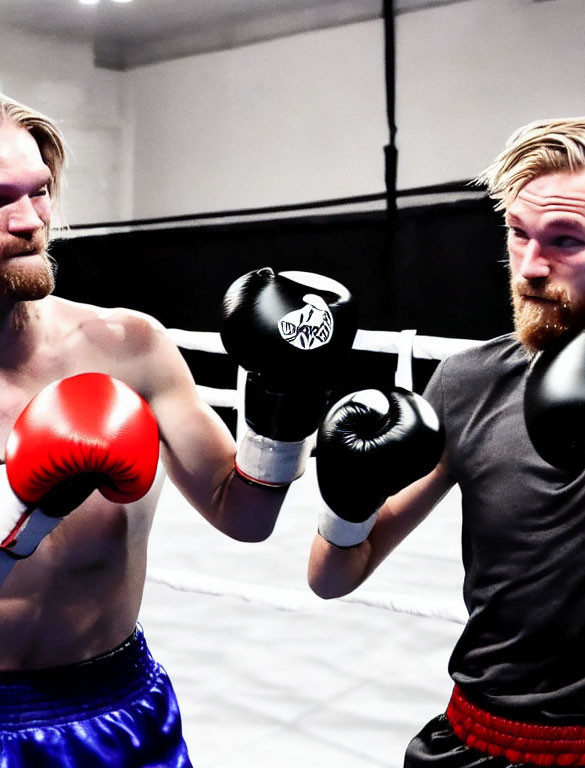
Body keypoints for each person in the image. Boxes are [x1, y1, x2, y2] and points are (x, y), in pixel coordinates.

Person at [307, 115, 585, 767]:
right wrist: (347, 504)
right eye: (518, 233)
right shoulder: (464, 382)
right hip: (474, 743)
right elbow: (332, 578)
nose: (529, 267)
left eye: (565, 240)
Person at [0, 93, 355, 767]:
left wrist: (286, 397)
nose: (30, 221)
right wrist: (21, 509)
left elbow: (243, 514)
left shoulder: (129, 347)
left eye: (40, 192)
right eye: (0, 199)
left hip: (110, 714)